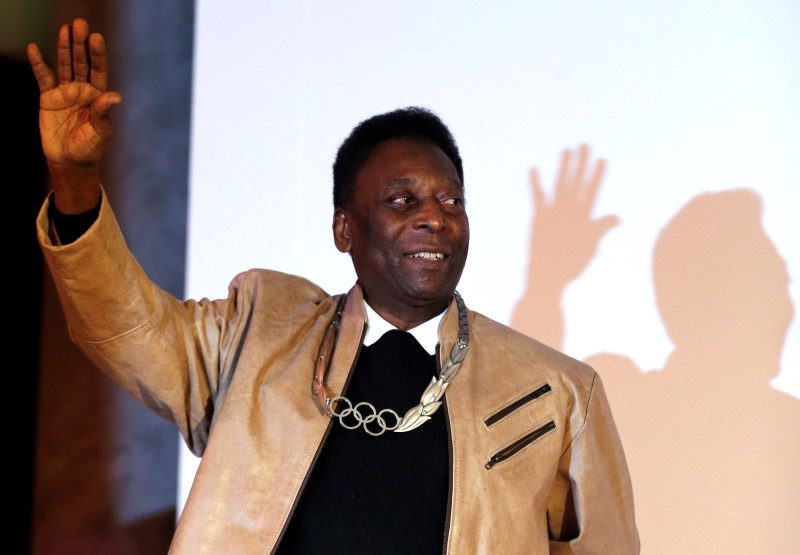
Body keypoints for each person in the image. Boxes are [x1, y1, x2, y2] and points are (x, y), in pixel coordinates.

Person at [29, 18, 639, 554]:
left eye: (451, 199)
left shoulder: (556, 394)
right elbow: (130, 328)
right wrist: (74, 183)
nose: (435, 216)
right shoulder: (259, 333)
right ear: (344, 229)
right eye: (404, 200)